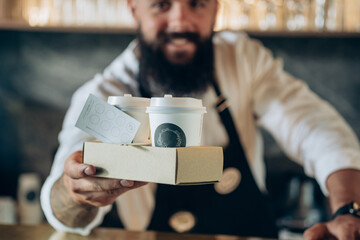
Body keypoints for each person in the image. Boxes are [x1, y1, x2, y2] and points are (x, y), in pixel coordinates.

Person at [41, 0, 360, 239]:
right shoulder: (109, 98)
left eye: (196, 3)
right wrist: (76, 191)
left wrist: (349, 210)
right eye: (161, 5)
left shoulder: (241, 60)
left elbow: (315, 127)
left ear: (215, 10)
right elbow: (63, 211)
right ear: (134, 9)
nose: (180, 21)